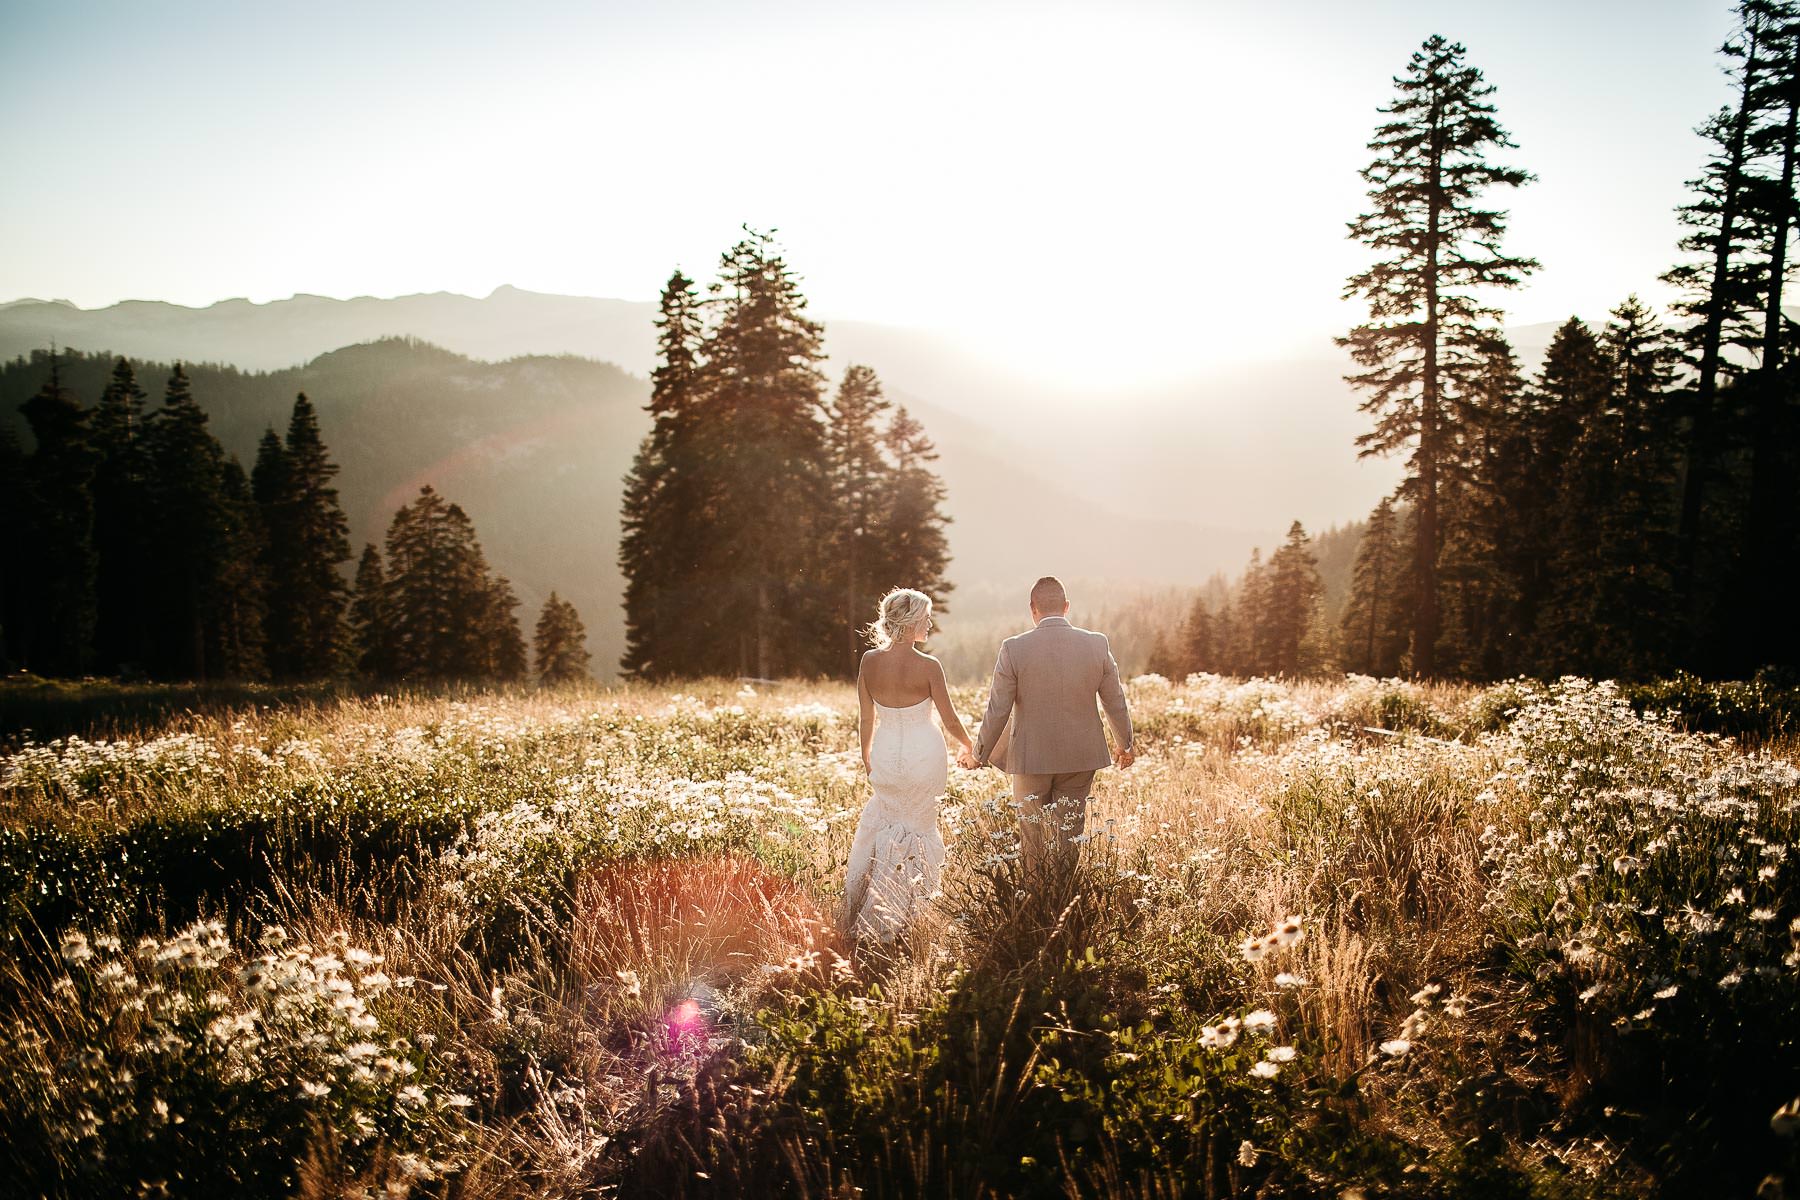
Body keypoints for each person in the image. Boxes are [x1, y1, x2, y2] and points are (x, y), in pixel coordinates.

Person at [973, 575, 1133, 875]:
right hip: (1080, 756)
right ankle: (1065, 889)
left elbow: (998, 709)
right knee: (1070, 830)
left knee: (1032, 833)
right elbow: (1115, 700)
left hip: (1030, 757)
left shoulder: (1013, 648)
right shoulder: (1097, 643)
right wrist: (1125, 744)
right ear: (1066, 607)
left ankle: (1036, 892)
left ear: (1033, 609)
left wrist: (979, 755)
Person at [844, 588, 976, 941]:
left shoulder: (869, 661)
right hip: (924, 756)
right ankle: (909, 912)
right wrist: (969, 746)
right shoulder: (929, 666)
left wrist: (866, 757)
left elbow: (866, 718)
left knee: (888, 823)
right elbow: (949, 719)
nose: (930, 624)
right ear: (912, 621)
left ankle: (872, 905)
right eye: (926, 618)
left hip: (885, 753)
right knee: (919, 827)